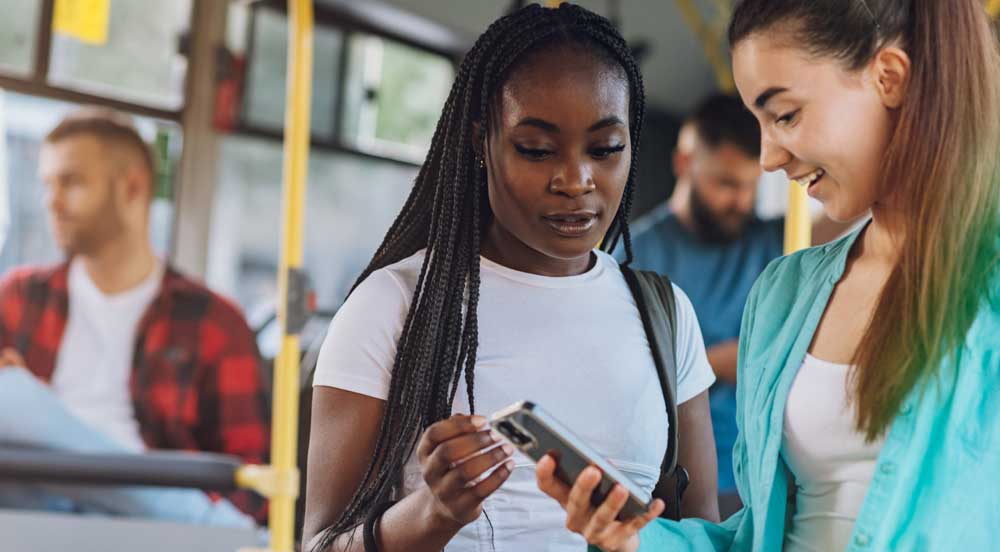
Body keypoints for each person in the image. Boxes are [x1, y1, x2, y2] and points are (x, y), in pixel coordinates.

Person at [537, 0, 1000, 550]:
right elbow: (756, 534)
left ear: (890, 78)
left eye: (784, 115)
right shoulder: (785, 292)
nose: (769, 158)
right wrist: (640, 539)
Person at [303, 4, 721, 551]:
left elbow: (704, 537)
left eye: (605, 149)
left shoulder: (664, 315)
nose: (575, 180)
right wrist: (432, 514)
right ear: (482, 142)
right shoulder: (396, 304)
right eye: (536, 150)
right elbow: (317, 544)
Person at [0, 109, 270, 525]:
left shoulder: (214, 322)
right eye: (47, 185)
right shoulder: (18, 296)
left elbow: (252, 484)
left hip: (147, 527)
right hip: (32, 505)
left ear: (132, 187)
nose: (50, 201)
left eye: (70, 182)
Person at [623, 94, 851, 515]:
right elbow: (620, 381)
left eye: (750, 186)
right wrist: (712, 364)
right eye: (726, 184)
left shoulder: (771, 240)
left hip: (766, 469)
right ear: (684, 164)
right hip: (675, 478)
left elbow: (849, 216)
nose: (741, 201)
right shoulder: (635, 256)